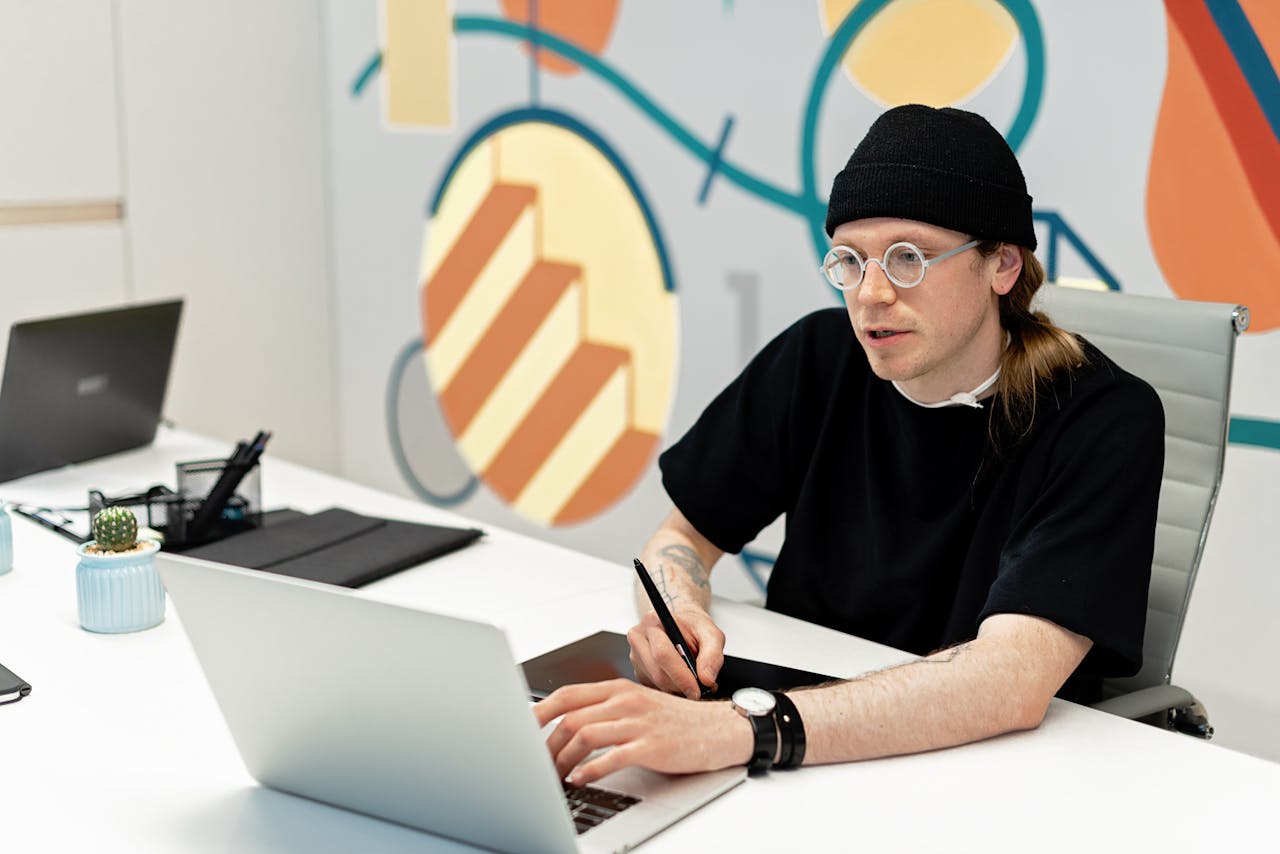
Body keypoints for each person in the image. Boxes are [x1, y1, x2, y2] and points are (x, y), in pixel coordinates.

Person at [534, 104, 1164, 785]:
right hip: (804, 751)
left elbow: (1009, 679)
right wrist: (678, 612)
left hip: (984, 778)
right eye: (850, 260)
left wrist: (744, 731)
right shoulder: (819, 358)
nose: (871, 294)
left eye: (908, 257)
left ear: (1003, 264)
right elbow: (679, 538)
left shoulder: (1102, 418)